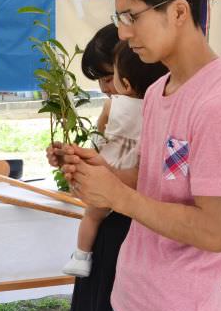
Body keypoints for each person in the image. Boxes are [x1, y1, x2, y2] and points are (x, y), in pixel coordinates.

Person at [50, 0, 221, 311]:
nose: (124, 33)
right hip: (131, 303)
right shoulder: (157, 91)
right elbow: (155, 182)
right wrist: (103, 173)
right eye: (119, 19)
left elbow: (215, 230)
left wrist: (117, 196)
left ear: (179, 12)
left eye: (132, 17)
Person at [63, 41, 167, 278]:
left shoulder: (114, 105)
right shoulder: (156, 109)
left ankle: (80, 255)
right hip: (128, 189)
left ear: (126, 81)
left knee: (92, 216)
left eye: (110, 78)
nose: (104, 89)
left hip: (115, 193)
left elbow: (99, 142)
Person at [61, 23, 128, 311]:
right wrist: (75, 163)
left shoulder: (163, 105)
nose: (104, 88)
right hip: (108, 225)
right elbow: (101, 159)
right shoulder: (111, 108)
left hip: (130, 227)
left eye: (106, 77)